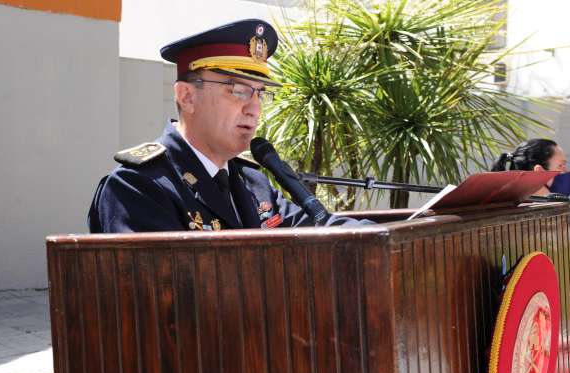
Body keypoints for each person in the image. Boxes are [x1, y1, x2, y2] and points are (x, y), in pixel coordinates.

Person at [88, 19, 369, 233]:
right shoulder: (138, 186)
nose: (254, 108)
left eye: (260, 93)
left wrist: (389, 234)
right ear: (187, 96)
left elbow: (317, 228)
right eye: (238, 90)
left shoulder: (253, 182)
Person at [492, 138, 570, 357]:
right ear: (539, 171)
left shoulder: (557, 212)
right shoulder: (519, 220)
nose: (567, 172)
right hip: (544, 340)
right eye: (561, 166)